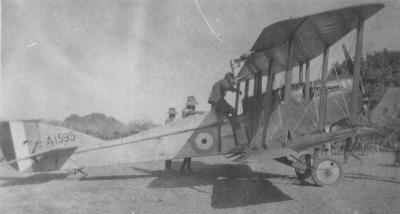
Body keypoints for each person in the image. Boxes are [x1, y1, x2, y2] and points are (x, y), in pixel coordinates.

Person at [180, 96, 203, 174]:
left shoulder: (191, 110)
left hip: (190, 132)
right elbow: (189, 113)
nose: (193, 106)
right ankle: (184, 167)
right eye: (192, 104)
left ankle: (186, 167)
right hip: (185, 132)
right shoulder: (185, 110)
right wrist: (198, 112)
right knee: (188, 152)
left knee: (190, 152)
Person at [164, 107, 176, 172]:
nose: (174, 115)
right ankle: (167, 168)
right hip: (168, 139)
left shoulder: (170, 120)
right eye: (174, 114)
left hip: (170, 139)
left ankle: (169, 168)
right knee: (168, 154)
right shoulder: (168, 121)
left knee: (170, 154)